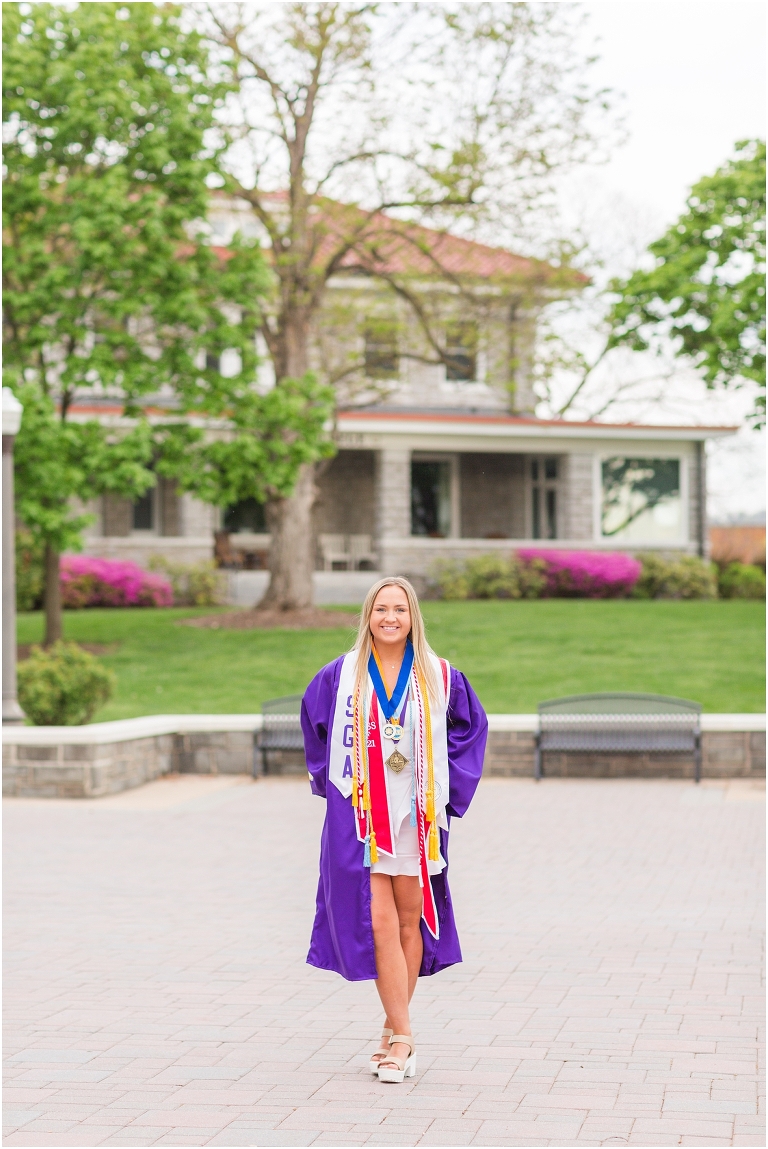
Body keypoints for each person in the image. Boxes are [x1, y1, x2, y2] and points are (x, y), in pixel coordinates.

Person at [301, 576, 488, 1083]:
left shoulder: (441, 677)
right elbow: (316, 734)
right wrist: (334, 788)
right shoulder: (339, 677)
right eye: (381, 608)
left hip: (416, 818)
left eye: (399, 609)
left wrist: (444, 787)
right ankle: (403, 1037)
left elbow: (469, 734)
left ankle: (394, 1033)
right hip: (361, 819)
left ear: (413, 617)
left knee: (410, 923)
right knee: (378, 921)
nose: (390, 618)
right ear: (367, 615)